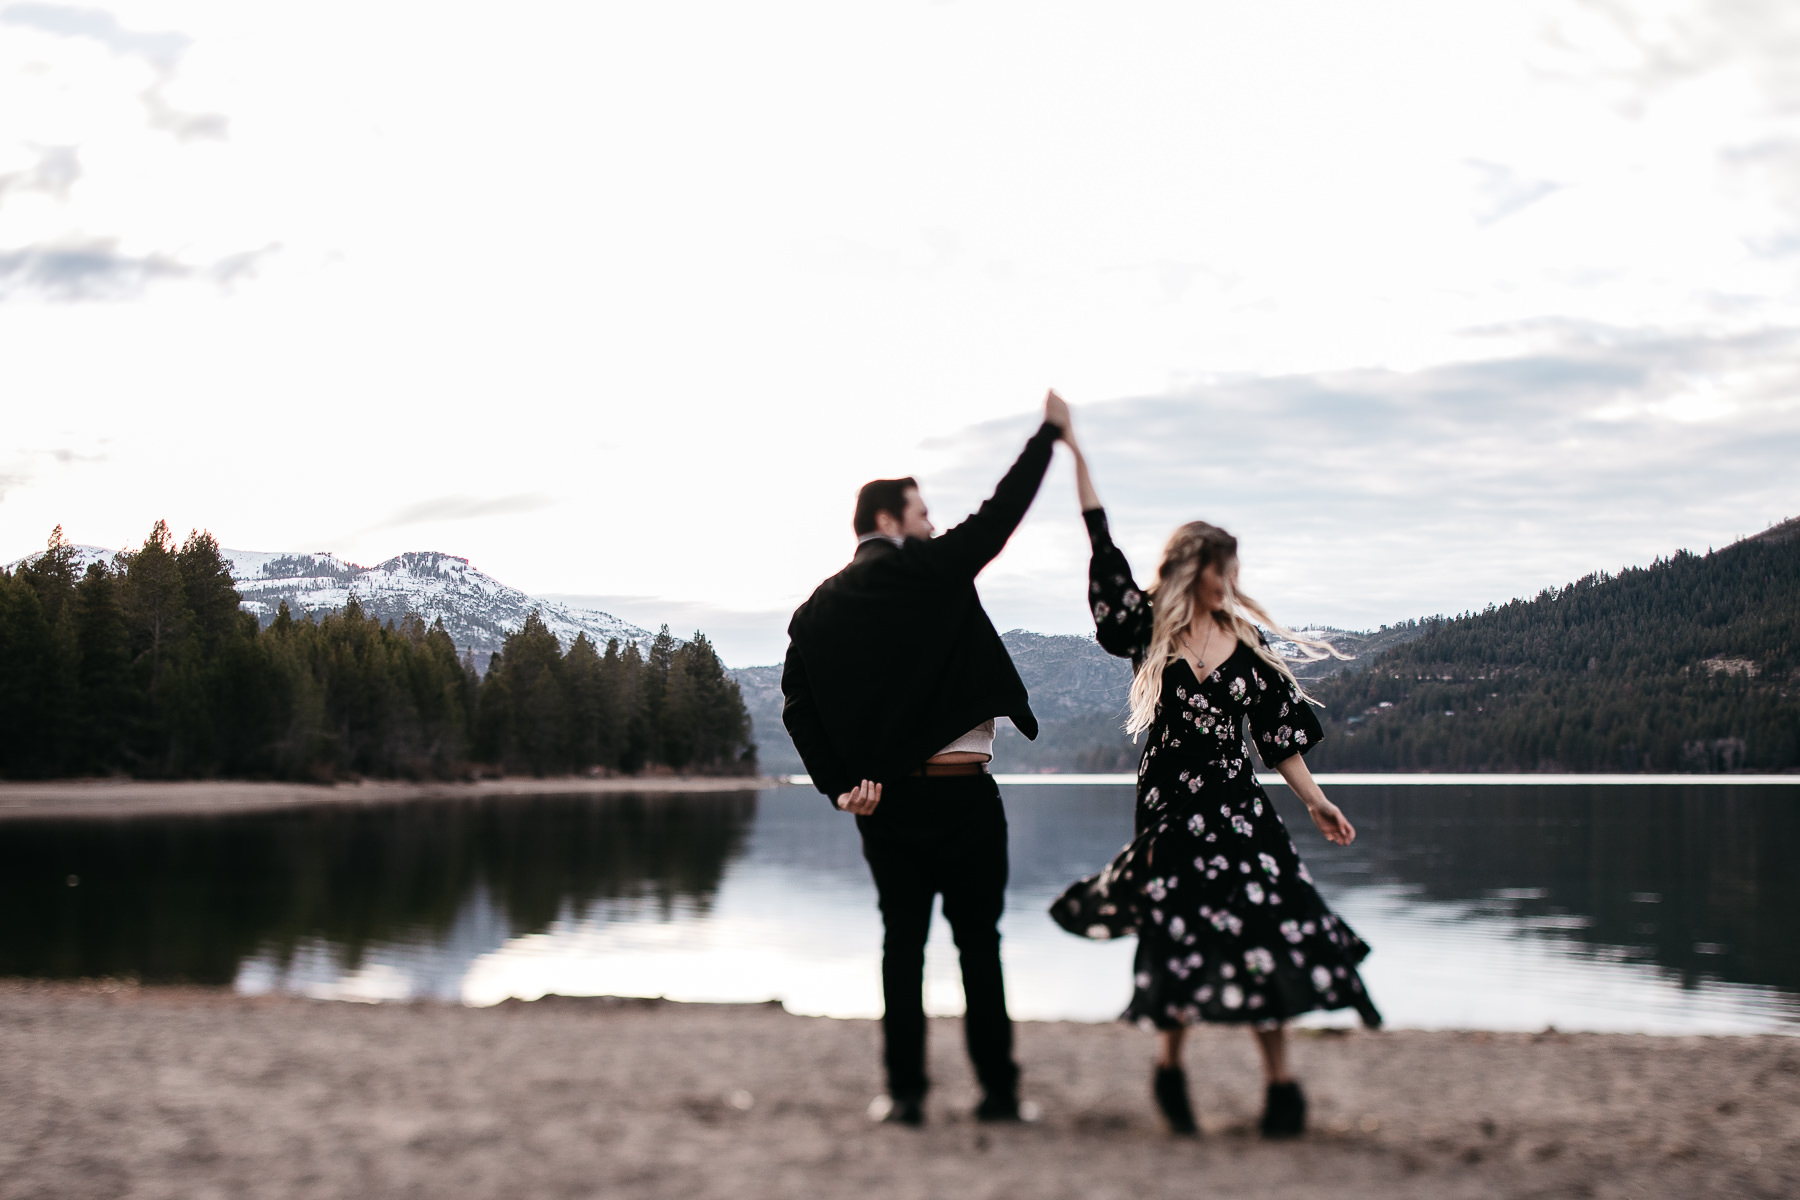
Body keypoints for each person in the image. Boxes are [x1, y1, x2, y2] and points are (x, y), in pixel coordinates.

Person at [1049, 404, 1381, 1139]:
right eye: (1226, 569)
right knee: (1178, 935)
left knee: (1264, 930)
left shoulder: (1248, 641)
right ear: (1199, 569)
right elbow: (1102, 547)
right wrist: (1074, 454)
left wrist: (1318, 801)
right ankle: (1169, 1069)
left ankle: (1282, 1087)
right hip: (1169, 810)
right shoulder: (1149, 628)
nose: (1234, 582)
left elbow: (1276, 735)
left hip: (1237, 810)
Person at [781, 392, 1071, 1127]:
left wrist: (841, 786)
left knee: (901, 948)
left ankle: (905, 1096)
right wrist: (1047, 435)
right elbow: (999, 516)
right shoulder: (931, 571)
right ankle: (998, 1095)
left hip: (887, 806)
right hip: (965, 796)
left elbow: (798, 706)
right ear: (889, 522)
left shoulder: (814, 611)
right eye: (922, 513)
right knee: (981, 946)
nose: (934, 524)